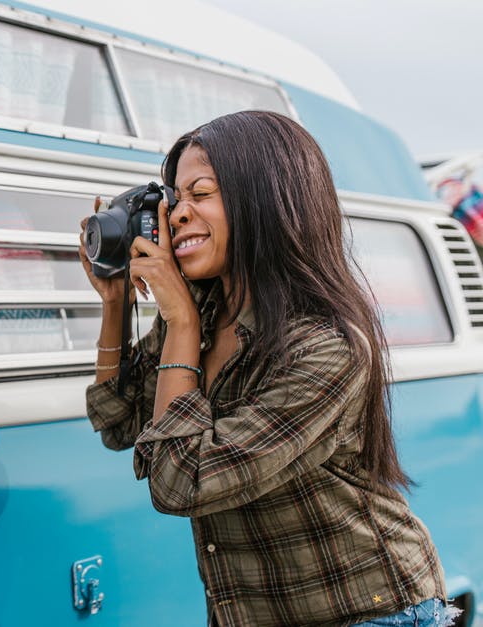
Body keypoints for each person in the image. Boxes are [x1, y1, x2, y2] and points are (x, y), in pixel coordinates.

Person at [80, 110, 459, 627]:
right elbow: (118, 421)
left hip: (367, 611)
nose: (177, 215)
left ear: (266, 202)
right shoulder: (206, 314)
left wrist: (180, 324)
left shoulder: (328, 347)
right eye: (174, 199)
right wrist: (115, 301)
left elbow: (181, 483)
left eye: (201, 193)